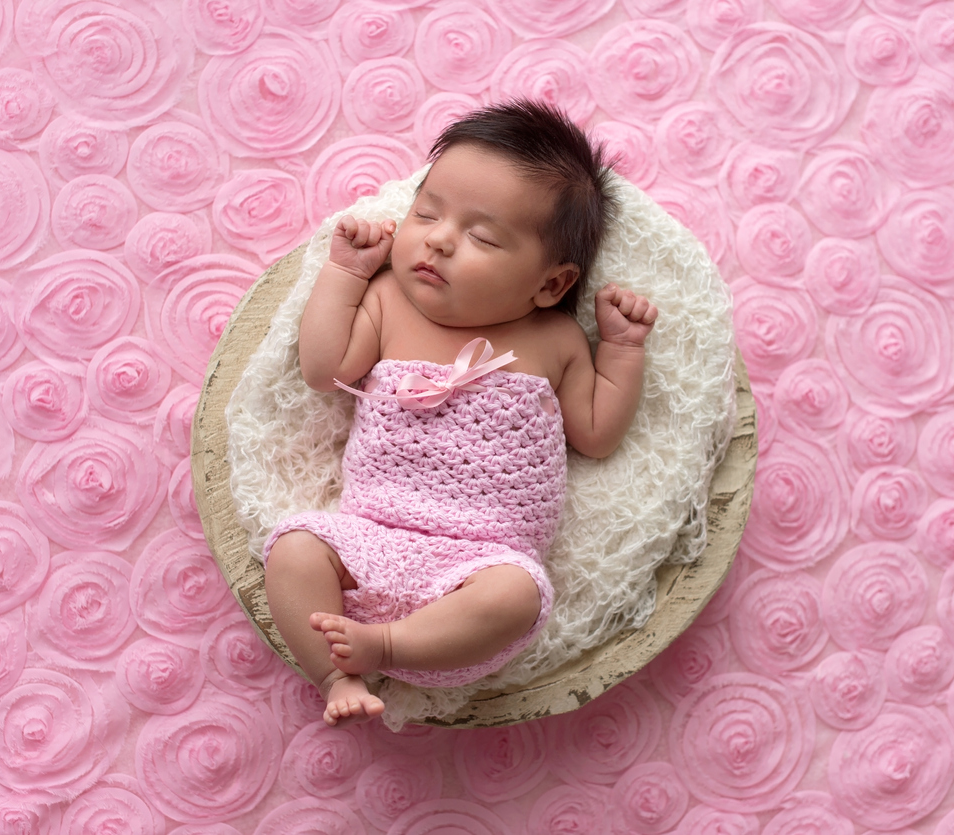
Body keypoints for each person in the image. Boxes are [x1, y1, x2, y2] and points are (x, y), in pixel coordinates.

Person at [263, 100, 658, 726]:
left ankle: (387, 647)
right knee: (292, 549)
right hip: (369, 540)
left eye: (482, 236)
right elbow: (324, 368)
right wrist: (344, 273)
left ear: (551, 284)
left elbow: (598, 434)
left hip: (479, 564)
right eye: (426, 212)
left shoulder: (554, 339)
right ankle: (337, 675)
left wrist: (623, 350)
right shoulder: (390, 302)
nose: (439, 239)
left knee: (520, 595)